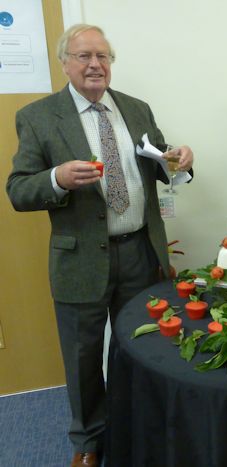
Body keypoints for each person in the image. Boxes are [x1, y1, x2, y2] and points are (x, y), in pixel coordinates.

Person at [6, 24, 193, 467]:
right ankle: (88, 443)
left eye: (103, 57)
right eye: (84, 56)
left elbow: (160, 163)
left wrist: (182, 161)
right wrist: (57, 179)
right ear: (64, 62)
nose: (95, 65)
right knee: (83, 355)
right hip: (82, 259)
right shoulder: (38, 116)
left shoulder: (136, 108)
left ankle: (139, 426)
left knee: (141, 347)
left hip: (140, 252)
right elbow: (18, 190)